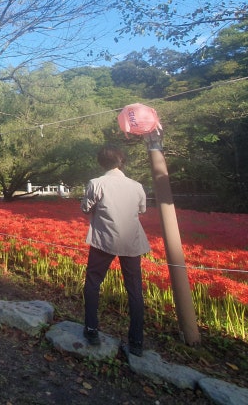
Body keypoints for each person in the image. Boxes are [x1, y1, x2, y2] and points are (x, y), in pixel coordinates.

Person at [81, 145, 150, 357]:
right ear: (121, 162)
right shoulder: (136, 186)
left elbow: (85, 208)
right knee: (134, 289)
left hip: (104, 239)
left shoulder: (96, 183)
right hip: (131, 241)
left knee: (93, 282)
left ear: (101, 163)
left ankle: (91, 329)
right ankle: (136, 341)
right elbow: (142, 209)